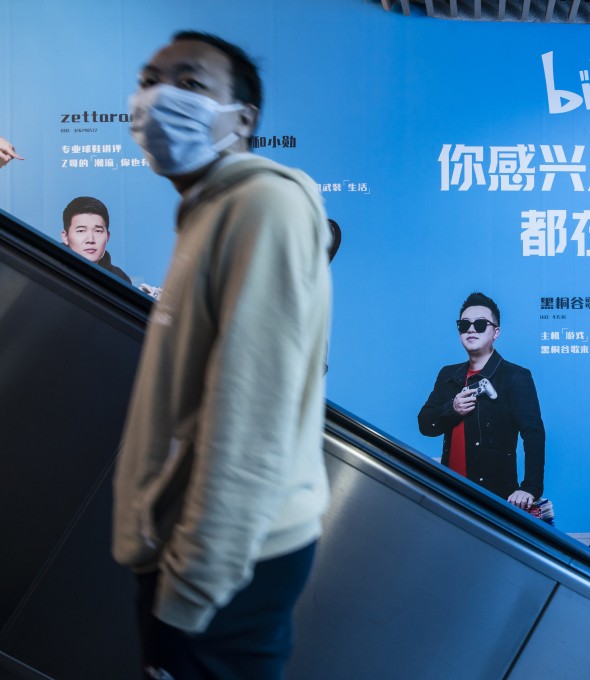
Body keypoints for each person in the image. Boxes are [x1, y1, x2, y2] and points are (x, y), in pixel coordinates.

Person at [112, 31, 332, 680]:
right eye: (150, 78)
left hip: (230, 563)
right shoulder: (206, 210)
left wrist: (189, 589)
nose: (159, 97)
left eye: (189, 83)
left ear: (241, 121)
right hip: (197, 550)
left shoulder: (264, 204)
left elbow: (249, 420)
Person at [418, 291, 545, 509]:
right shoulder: (448, 375)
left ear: (496, 332)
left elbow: (533, 434)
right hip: (450, 492)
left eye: (479, 324)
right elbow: (425, 425)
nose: (470, 329)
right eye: (464, 324)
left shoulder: (515, 377)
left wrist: (529, 488)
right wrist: (452, 409)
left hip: (494, 497)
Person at [60, 196, 130, 282]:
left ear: (107, 237)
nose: (90, 240)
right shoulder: (51, 269)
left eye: (98, 231)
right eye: (81, 231)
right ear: (65, 237)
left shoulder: (119, 278)